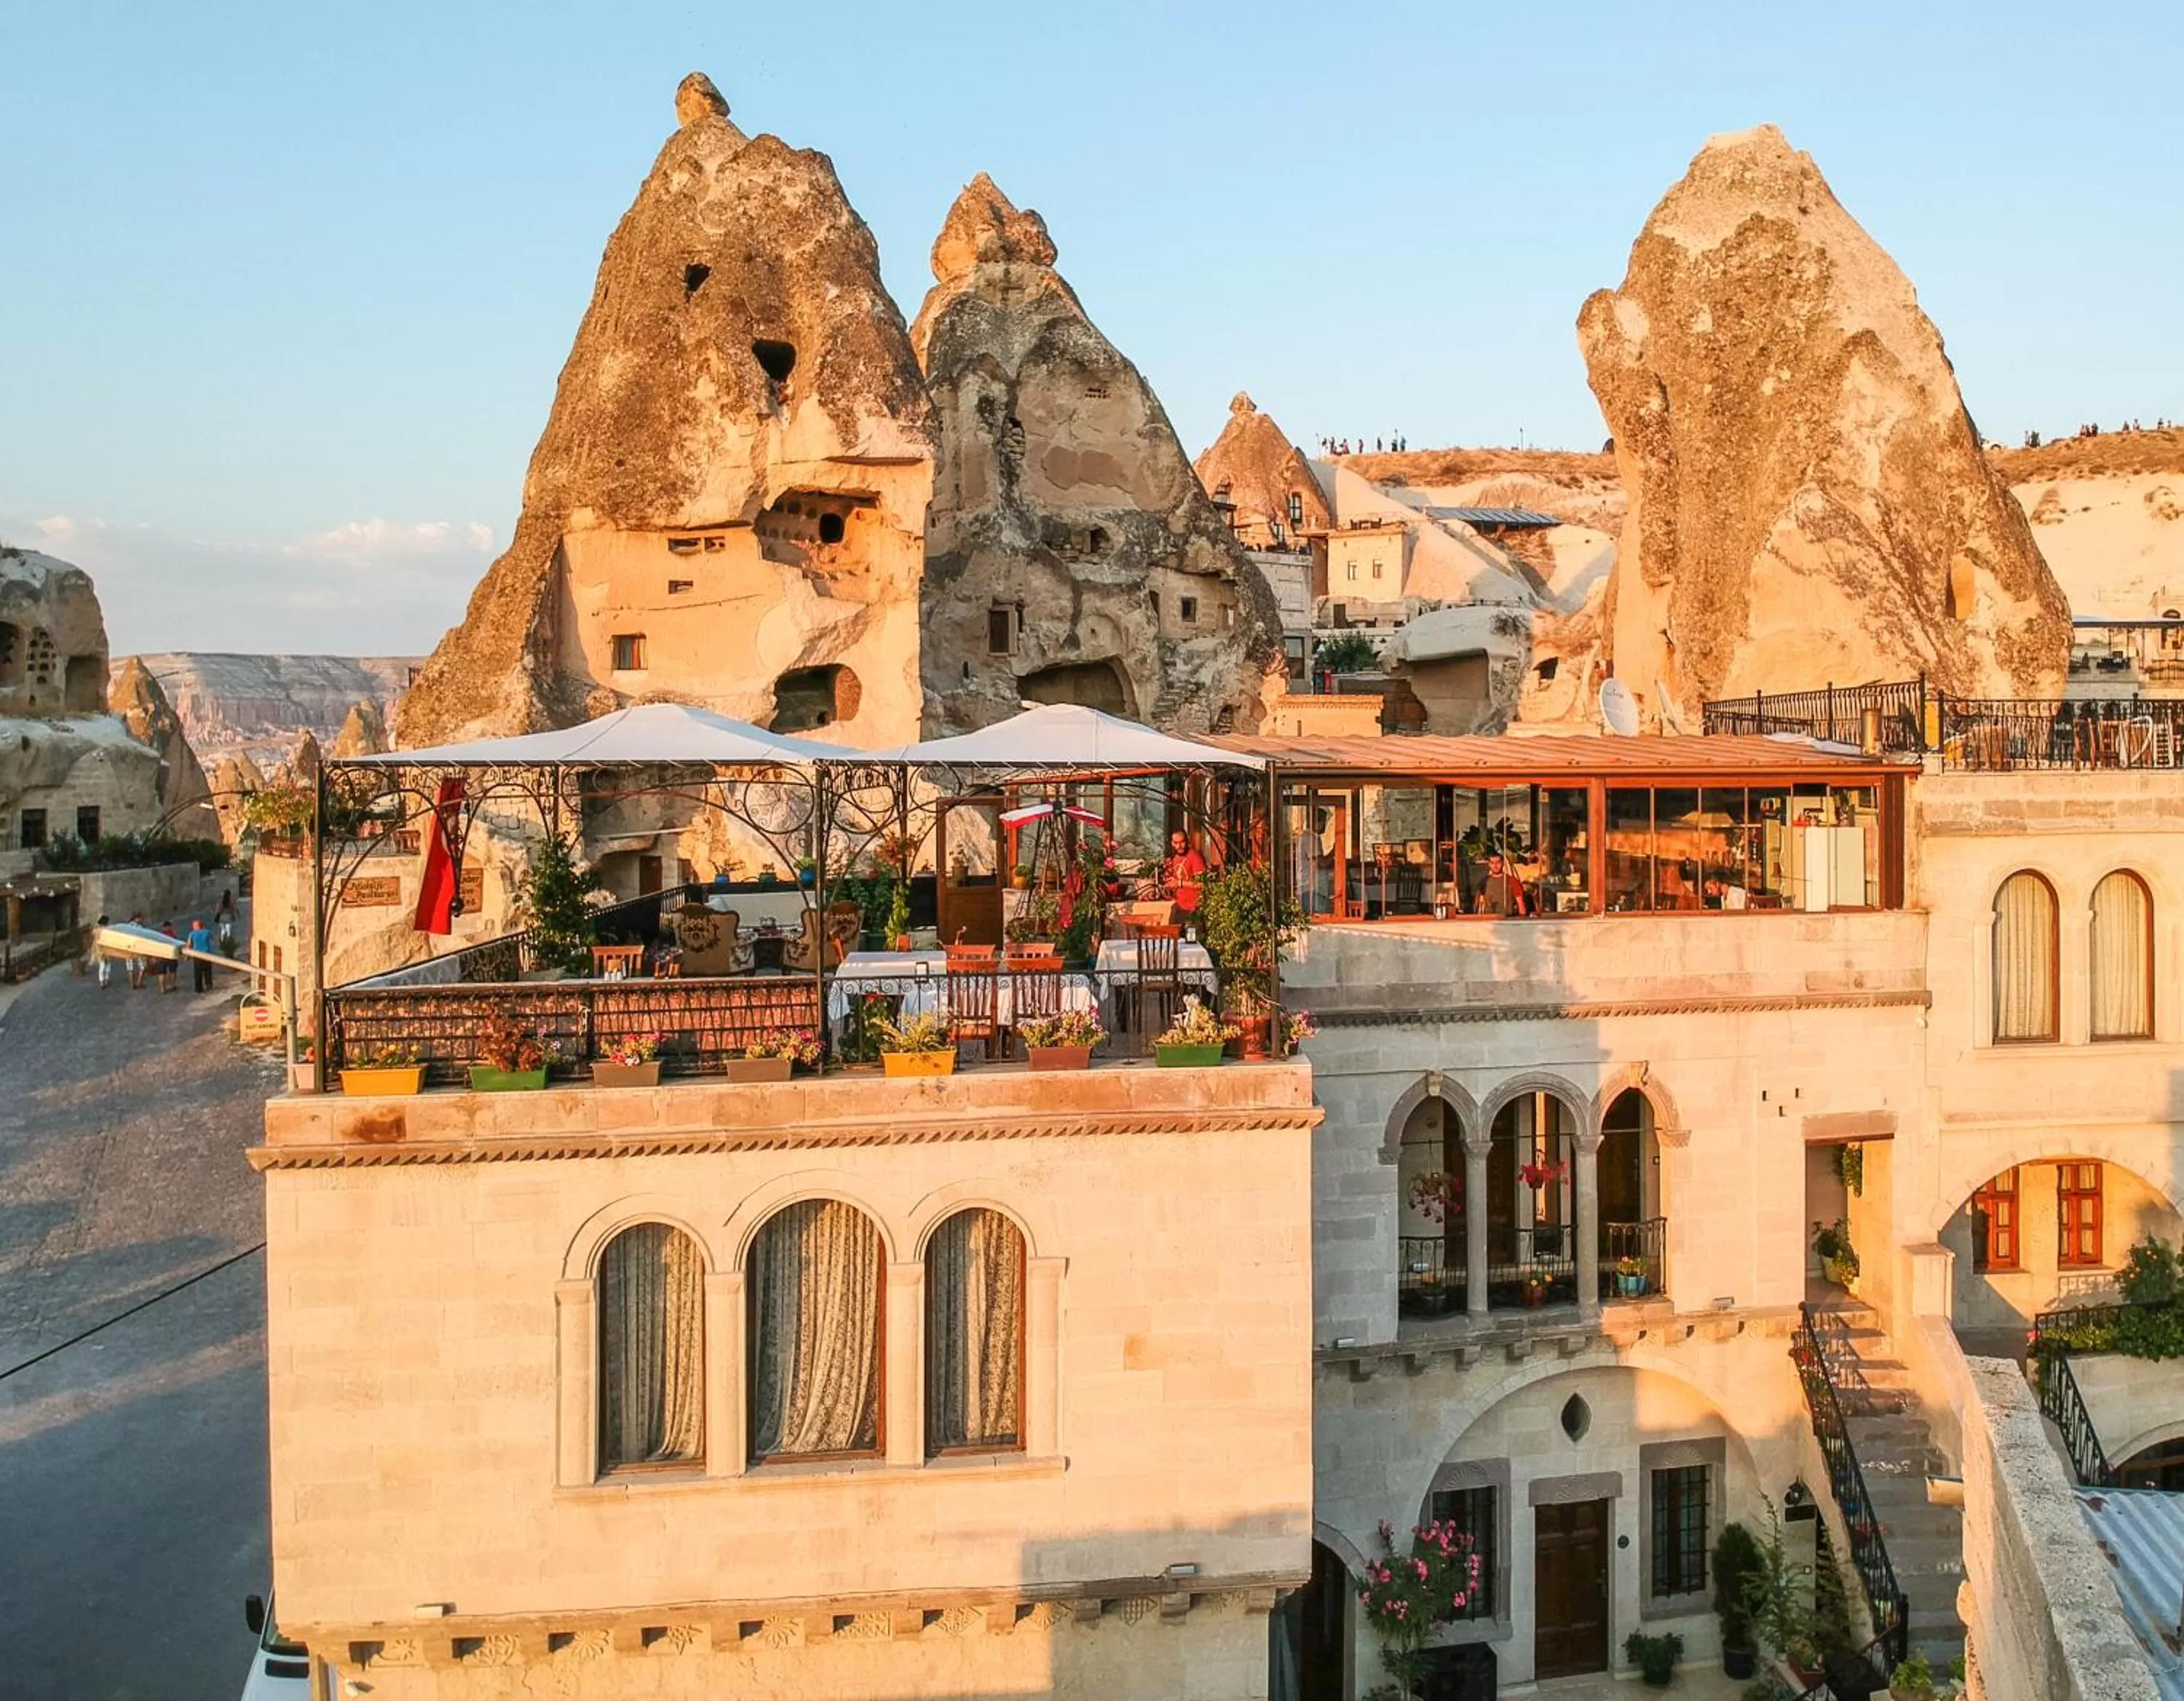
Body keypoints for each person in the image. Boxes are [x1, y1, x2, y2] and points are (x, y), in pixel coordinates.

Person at [1164, 829, 1207, 917]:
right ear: (1172, 843)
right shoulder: (1176, 858)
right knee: (1173, 930)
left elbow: (1202, 884)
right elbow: (1180, 879)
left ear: (1187, 841)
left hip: (1194, 908)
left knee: (1191, 931)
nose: (1180, 846)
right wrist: (1172, 882)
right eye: (1176, 843)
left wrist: (1179, 883)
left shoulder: (1195, 857)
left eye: (1182, 842)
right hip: (1180, 906)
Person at [1473, 851, 1531, 917]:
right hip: (1490, 919)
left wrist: (1522, 919)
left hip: (1508, 919)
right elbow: (1477, 903)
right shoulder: (1484, 881)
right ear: (1489, 864)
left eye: (1498, 863)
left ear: (1503, 863)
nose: (1495, 866)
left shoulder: (1512, 880)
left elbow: (1520, 902)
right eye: (1492, 863)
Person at [186, 917, 216, 992]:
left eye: (193, 926)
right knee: (208, 971)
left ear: (196, 926)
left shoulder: (192, 934)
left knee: (198, 972)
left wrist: (187, 955)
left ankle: (198, 988)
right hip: (207, 954)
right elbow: (213, 938)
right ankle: (209, 985)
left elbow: (189, 944)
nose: (192, 927)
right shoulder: (207, 932)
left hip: (197, 955)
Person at [127, 912, 149, 988]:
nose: (142, 920)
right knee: (143, 967)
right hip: (138, 949)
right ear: (137, 918)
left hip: (128, 949)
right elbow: (144, 936)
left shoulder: (128, 926)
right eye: (141, 918)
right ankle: (139, 982)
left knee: (130, 968)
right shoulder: (140, 927)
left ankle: (132, 984)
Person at [91, 913, 113, 987]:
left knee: (103, 966)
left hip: (103, 950)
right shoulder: (104, 931)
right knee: (105, 966)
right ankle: (104, 981)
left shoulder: (97, 930)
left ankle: (103, 981)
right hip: (103, 950)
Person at [214, 891, 238, 955]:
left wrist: (217, 917)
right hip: (229, 917)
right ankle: (229, 942)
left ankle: (222, 941)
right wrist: (237, 915)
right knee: (229, 931)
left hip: (222, 918)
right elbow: (234, 909)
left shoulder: (220, 902)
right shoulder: (231, 902)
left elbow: (218, 910)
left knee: (223, 930)